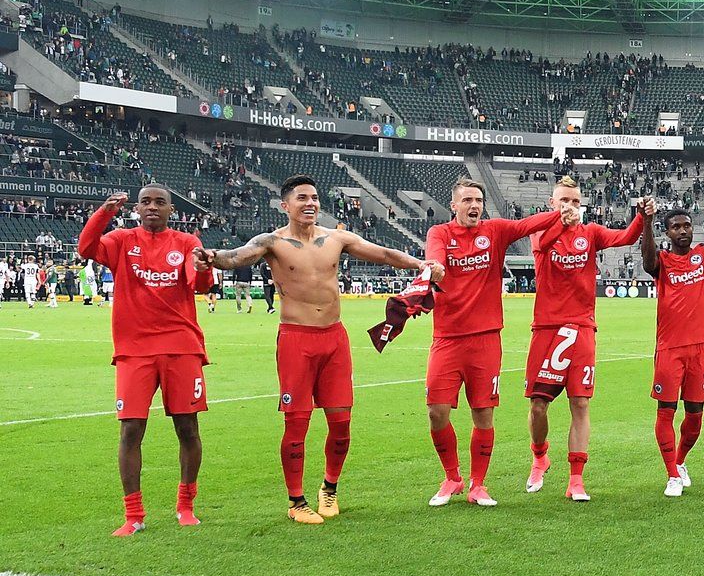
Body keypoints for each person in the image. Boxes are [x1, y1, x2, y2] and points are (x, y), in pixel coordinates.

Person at [197, 175, 439, 523]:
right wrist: (212, 257)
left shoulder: (337, 238)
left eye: (313, 197)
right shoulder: (272, 242)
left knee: (341, 422)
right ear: (286, 205)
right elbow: (237, 257)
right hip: (297, 340)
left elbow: (384, 253)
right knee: (297, 424)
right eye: (301, 198)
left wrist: (421, 265)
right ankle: (296, 501)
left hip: (334, 339)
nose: (310, 203)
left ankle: (329, 489)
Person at [77, 186, 212, 536]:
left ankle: (186, 505)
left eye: (160, 202)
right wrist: (104, 212)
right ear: (137, 208)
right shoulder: (121, 239)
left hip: (181, 346)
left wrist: (201, 267)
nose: (152, 207)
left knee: (187, 427)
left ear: (171, 209)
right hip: (134, 350)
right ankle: (134, 515)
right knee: (131, 429)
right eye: (146, 202)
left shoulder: (185, 243)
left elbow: (198, 284)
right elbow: (86, 248)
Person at [419, 179, 559, 506]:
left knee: (483, 414)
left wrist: (558, 212)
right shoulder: (440, 233)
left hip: (485, 339)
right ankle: (452, 477)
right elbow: (435, 258)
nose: (474, 205)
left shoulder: (494, 230)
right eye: (467, 199)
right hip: (447, 339)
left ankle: (478, 485)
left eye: (479, 200)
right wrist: (435, 268)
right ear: (454, 205)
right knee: (436, 412)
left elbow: (526, 226)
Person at [523, 177, 648, 502]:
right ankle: (540, 456)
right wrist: (558, 222)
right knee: (538, 406)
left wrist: (642, 216)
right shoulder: (541, 231)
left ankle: (576, 479)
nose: (570, 207)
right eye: (564, 201)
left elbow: (626, 237)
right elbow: (542, 242)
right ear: (552, 204)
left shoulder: (590, 234)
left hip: (581, 329)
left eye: (576, 202)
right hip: (547, 329)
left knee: (580, 403)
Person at [639, 203, 704, 495]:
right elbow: (647, 263)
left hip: (700, 348)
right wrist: (646, 222)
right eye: (676, 227)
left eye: (686, 226)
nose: (682, 231)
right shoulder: (662, 261)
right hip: (670, 349)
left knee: (695, 416)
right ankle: (672, 474)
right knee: (666, 411)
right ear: (667, 232)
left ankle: (680, 461)